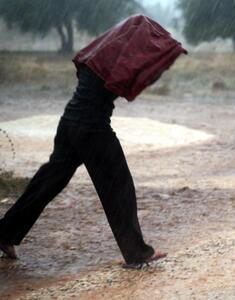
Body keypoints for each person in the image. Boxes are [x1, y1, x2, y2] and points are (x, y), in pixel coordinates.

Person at [0, 15, 187, 269]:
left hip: (69, 123)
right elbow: (127, 84)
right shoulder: (120, 59)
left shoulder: (104, 50)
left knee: (46, 183)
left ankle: (5, 233)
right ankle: (136, 253)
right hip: (92, 128)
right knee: (118, 185)